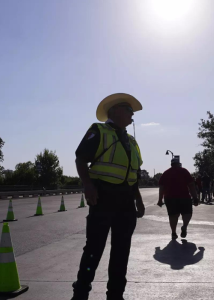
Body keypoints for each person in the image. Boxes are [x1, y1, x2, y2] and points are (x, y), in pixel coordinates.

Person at [72, 93, 146, 300]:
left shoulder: (132, 140)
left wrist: (138, 199)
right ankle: (81, 293)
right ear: (115, 111)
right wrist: (87, 185)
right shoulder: (99, 130)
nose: (133, 115)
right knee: (94, 248)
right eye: (129, 110)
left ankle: (115, 294)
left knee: (122, 251)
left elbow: (134, 173)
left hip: (126, 202)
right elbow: (80, 159)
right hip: (103, 197)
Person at [157, 156, 199, 240]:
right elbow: (191, 185)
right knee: (187, 213)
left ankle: (173, 232)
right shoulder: (184, 171)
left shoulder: (166, 173)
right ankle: (184, 226)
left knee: (173, 215)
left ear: (171, 164)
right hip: (184, 197)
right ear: (179, 164)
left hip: (170, 198)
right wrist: (195, 197)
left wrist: (160, 200)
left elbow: (161, 187)